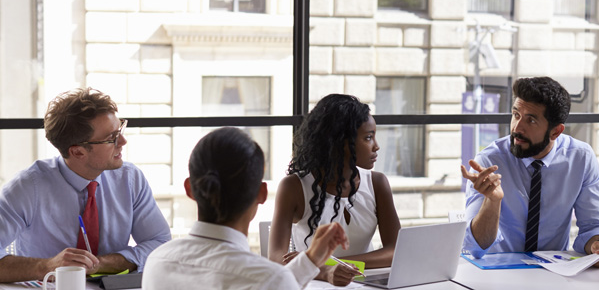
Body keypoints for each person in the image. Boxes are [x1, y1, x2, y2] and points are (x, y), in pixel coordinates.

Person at [143, 127, 349, 289]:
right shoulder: (267, 278)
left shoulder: (157, 261)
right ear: (262, 193)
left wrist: (311, 260)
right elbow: (271, 283)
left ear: (189, 189)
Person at [0, 88, 171, 282]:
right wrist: (46, 266)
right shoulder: (27, 187)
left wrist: (102, 264)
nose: (123, 141)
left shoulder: (130, 179)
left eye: (120, 129)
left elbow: (160, 244)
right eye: (111, 138)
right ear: (78, 152)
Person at [461, 76, 599, 268]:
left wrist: (598, 246)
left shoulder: (581, 158)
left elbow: (592, 227)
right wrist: (493, 202)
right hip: (497, 274)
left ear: (556, 132)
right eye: (516, 115)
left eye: (531, 120)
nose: (517, 128)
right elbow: (475, 247)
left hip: (554, 273)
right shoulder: (489, 162)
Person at [270, 94, 401, 286]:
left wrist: (333, 264)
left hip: (365, 284)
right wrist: (324, 272)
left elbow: (396, 250)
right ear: (340, 142)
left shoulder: (378, 183)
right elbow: (276, 259)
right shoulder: (293, 187)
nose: (377, 146)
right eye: (368, 137)